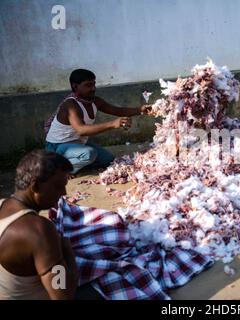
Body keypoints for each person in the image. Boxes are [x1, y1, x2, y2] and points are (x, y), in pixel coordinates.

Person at [0, 150, 78, 299]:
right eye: (58, 186)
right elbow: (62, 293)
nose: (64, 192)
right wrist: (67, 253)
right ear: (35, 186)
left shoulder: (2, 205)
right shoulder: (38, 231)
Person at [45, 69, 153, 174]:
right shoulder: (70, 105)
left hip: (77, 142)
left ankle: (76, 162)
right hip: (58, 147)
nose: (93, 88)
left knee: (108, 160)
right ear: (75, 86)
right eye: (88, 85)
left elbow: (118, 111)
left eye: (93, 84)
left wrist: (140, 110)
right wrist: (112, 124)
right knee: (89, 154)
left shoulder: (95, 101)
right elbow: (81, 130)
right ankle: (59, 170)